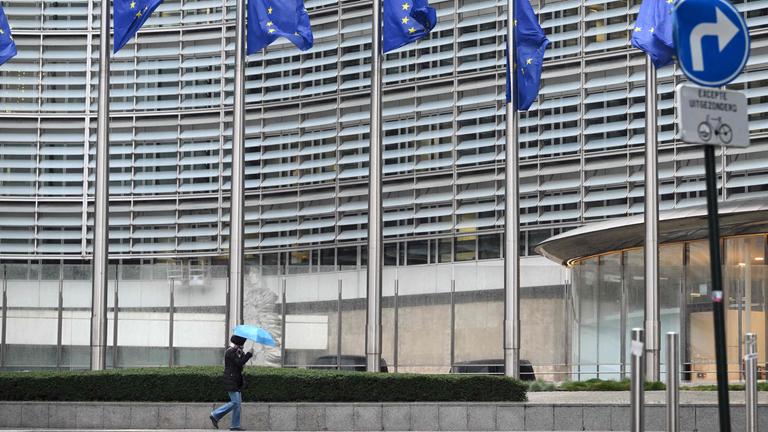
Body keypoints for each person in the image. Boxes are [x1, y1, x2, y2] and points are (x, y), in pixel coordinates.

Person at [210, 335, 253, 431]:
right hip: (230, 379)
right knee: (235, 402)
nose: (242, 347)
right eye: (242, 345)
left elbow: (241, 364)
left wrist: (243, 354)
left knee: (238, 404)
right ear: (238, 344)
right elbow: (239, 363)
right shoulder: (230, 351)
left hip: (236, 380)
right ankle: (215, 414)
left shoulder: (237, 352)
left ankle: (235, 425)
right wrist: (249, 355)